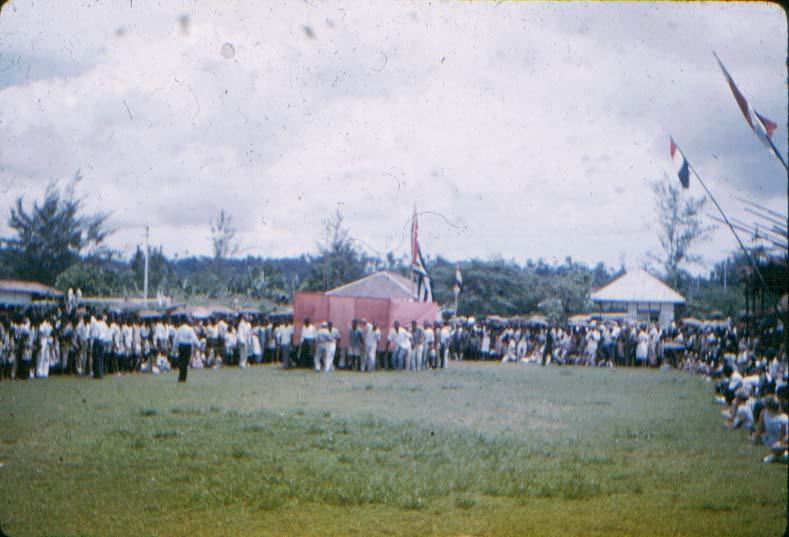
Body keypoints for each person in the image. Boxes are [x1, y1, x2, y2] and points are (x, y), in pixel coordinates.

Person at [173, 316, 200, 383]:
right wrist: (199, 345)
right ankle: (184, 378)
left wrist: (174, 348)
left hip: (181, 345)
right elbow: (194, 338)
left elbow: (175, 339)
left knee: (181, 361)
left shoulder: (179, 329)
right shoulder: (190, 329)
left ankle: (181, 377)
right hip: (188, 346)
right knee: (186, 362)